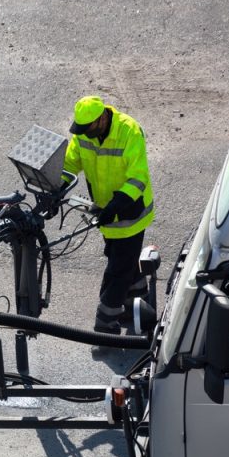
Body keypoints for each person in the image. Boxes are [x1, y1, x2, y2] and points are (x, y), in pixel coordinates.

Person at [63, 96, 155, 334]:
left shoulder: (129, 131)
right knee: (120, 257)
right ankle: (136, 297)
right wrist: (56, 188)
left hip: (130, 214)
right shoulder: (84, 134)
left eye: (88, 129)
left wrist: (116, 206)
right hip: (106, 214)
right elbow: (70, 165)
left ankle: (106, 319)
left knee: (118, 268)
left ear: (102, 118)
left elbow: (138, 177)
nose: (84, 134)